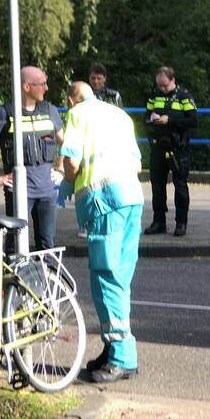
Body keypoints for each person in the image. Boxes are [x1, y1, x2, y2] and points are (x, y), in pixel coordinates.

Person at [59, 81, 144, 383]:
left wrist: (68, 180)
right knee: (120, 279)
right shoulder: (120, 115)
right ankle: (113, 348)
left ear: (71, 100)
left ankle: (121, 357)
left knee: (106, 278)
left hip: (104, 204)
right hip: (132, 199)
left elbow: (71, 161)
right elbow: (136, 165)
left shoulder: (77, 115)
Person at [0, 66, 64, 252]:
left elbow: (67, 144)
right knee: (15, 243)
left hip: (46, 189)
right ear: (26, 87)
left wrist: (61, 169)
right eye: (42, 84)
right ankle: (13, 281)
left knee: (47, 244)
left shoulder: (50, 111)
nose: (46, 88)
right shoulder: (5, 113)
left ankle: (44, 278)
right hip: (19, 189)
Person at [144, 66, 198, 237]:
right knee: (157, 185)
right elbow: (145, 116)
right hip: (158, 146)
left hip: (178, 148)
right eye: (159, 86)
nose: (162, 89)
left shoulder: (184, 97)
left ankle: (181, 223)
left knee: (180, 185)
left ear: (173, 80)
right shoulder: (154, 95)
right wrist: (151, 119)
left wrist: (170, 120)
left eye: (165, 86)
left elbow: (193, 120)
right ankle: (158, 222)